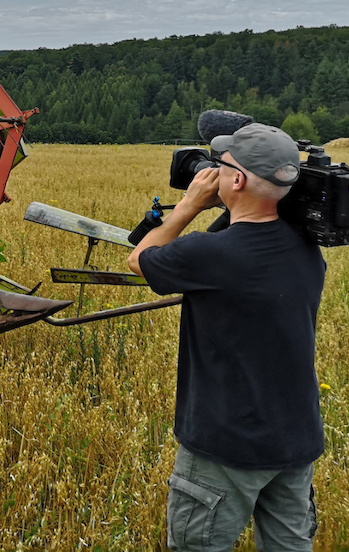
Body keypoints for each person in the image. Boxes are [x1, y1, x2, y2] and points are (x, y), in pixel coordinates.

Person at [127, 123, 324, 552]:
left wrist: (189, 205)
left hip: (226, 444)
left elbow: (139, 259)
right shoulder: (307, 248)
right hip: (295, 439)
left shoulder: (210, 254)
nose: (212, 172)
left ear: (235, 180)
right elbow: (248, 233)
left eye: (221, 166)